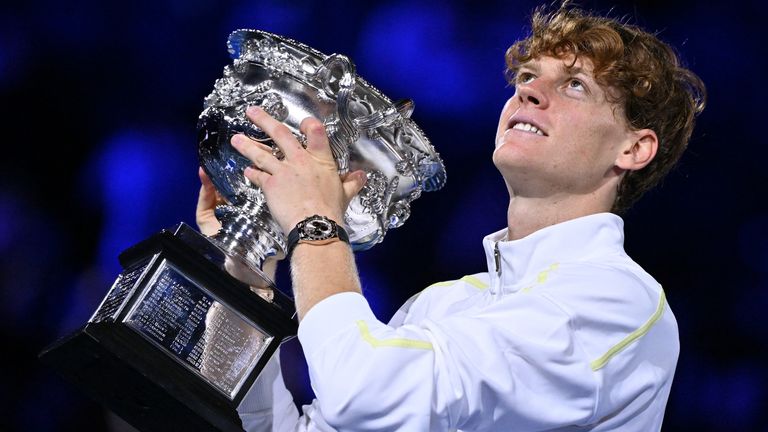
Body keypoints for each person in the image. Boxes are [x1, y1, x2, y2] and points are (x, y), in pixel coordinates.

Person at [196, 5, 705, 431]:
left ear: (635, 148)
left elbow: (365, 392)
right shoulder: (441, 307)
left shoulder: (617, 302)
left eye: (574, 85)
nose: (527, 92)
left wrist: (315, 225)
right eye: (527, 78)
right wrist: (246, 272)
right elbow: (261, 425)